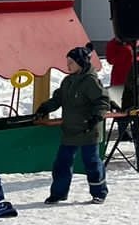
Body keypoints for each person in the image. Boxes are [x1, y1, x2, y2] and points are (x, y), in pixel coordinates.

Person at [36, 45, 111, 204]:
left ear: (81, 63)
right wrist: (45, 108)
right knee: (62, 163)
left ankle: (99, 192)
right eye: (67, 62)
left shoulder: (90, 81)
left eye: (71, 62)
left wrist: (96, 117)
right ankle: (58, 193)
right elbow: (58, 99)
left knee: (91, 163)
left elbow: (102, 101)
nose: (68, 65)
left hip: (88, 129)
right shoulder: (68, 81)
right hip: (70, 130)